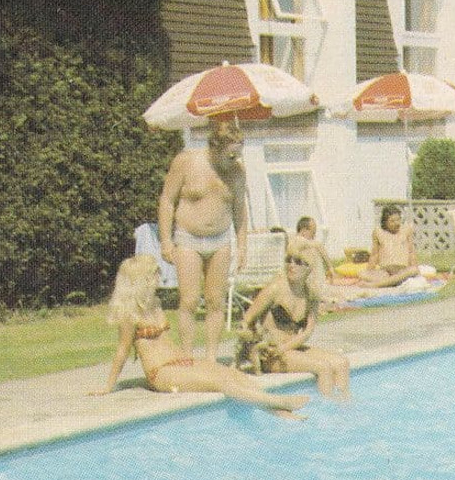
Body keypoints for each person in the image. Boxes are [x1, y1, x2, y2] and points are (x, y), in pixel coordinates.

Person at [94, 254, 308, 415]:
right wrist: (109, 385)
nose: (159, 276)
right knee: (220, 384)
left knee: (230, 374)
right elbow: (122, 350)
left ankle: (276, 410)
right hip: (161, 373)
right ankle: (279, 403)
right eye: (154, 273)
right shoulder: (129, 314)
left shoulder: (155, 303)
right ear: (142, 280)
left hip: (179, 361)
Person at [158, 119, 247, 359]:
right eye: (230, 155)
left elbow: (240, 210)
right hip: (188, 238)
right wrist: (166, 240)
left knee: (216, 301)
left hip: (220, 239)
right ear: (214, 147)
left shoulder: (237, 171)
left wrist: (242, 245)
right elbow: (167, 200)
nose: (235, 160)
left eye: (238, 154)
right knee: (189, 300)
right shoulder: (187, 162)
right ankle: (187, 356)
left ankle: (210, 358)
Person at [237, 254, 351, 398]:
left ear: (309, 268)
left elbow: (307, 332)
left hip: (290, 348)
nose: (292, 265)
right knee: (323, 368)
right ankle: (327, 413)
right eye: (288, 260)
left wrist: (285, 347)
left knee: (342, 363)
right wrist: (251, 344)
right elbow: (246, 321)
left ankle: (344, 407)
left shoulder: (311, 293)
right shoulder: (275, 289)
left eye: (298, 262)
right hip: (271, 353)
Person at [361, 205, 423, 288]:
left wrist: (415, 267)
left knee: (413, 270)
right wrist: (369, 271)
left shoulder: (406, 230)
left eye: (398, 219)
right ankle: (392, 282)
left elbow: (411, 252)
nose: (397, 223)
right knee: (362, 273)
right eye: (392, 221)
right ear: (385, 222)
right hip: (385, 272)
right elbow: (374, 255)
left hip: (402, 271)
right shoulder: (378, 232)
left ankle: (377, 284)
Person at [289, 216, 333, 301]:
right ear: (304, 230)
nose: (314, 236)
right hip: (301, 284)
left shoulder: (300, 241)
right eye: (313, 233)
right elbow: (318, 245)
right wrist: (330, 267)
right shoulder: (298, 240)